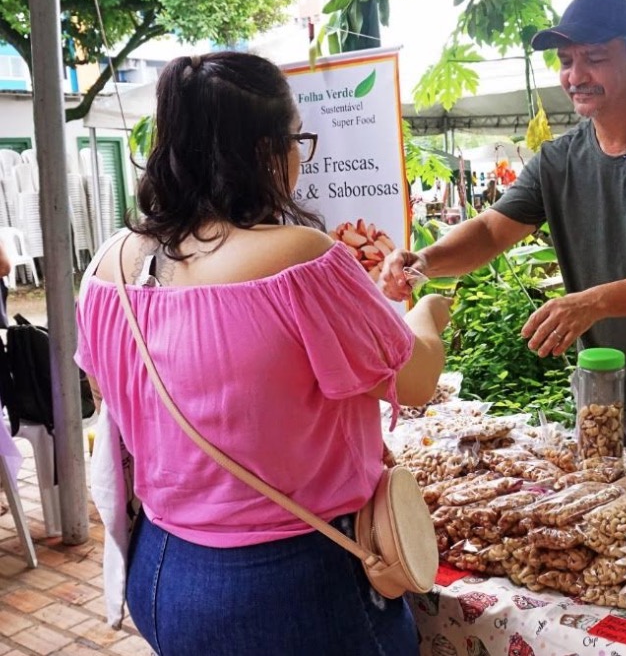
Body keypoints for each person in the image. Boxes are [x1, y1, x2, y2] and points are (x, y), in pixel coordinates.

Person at [74, 51, 449, 655]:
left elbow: (118, 393)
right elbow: (414, 380)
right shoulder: (299, 256)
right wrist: (424, 314)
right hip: (290, 582)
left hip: (162, 567)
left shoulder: (107, 265)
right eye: (296, 138)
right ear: (264, 151)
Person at [380, 0, 626, 460]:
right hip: (604, 390)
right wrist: (423, 261)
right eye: (567, 60)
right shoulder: (558, 159)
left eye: (593, 57)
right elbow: (490, 231)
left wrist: (592, 303)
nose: (575, 76)